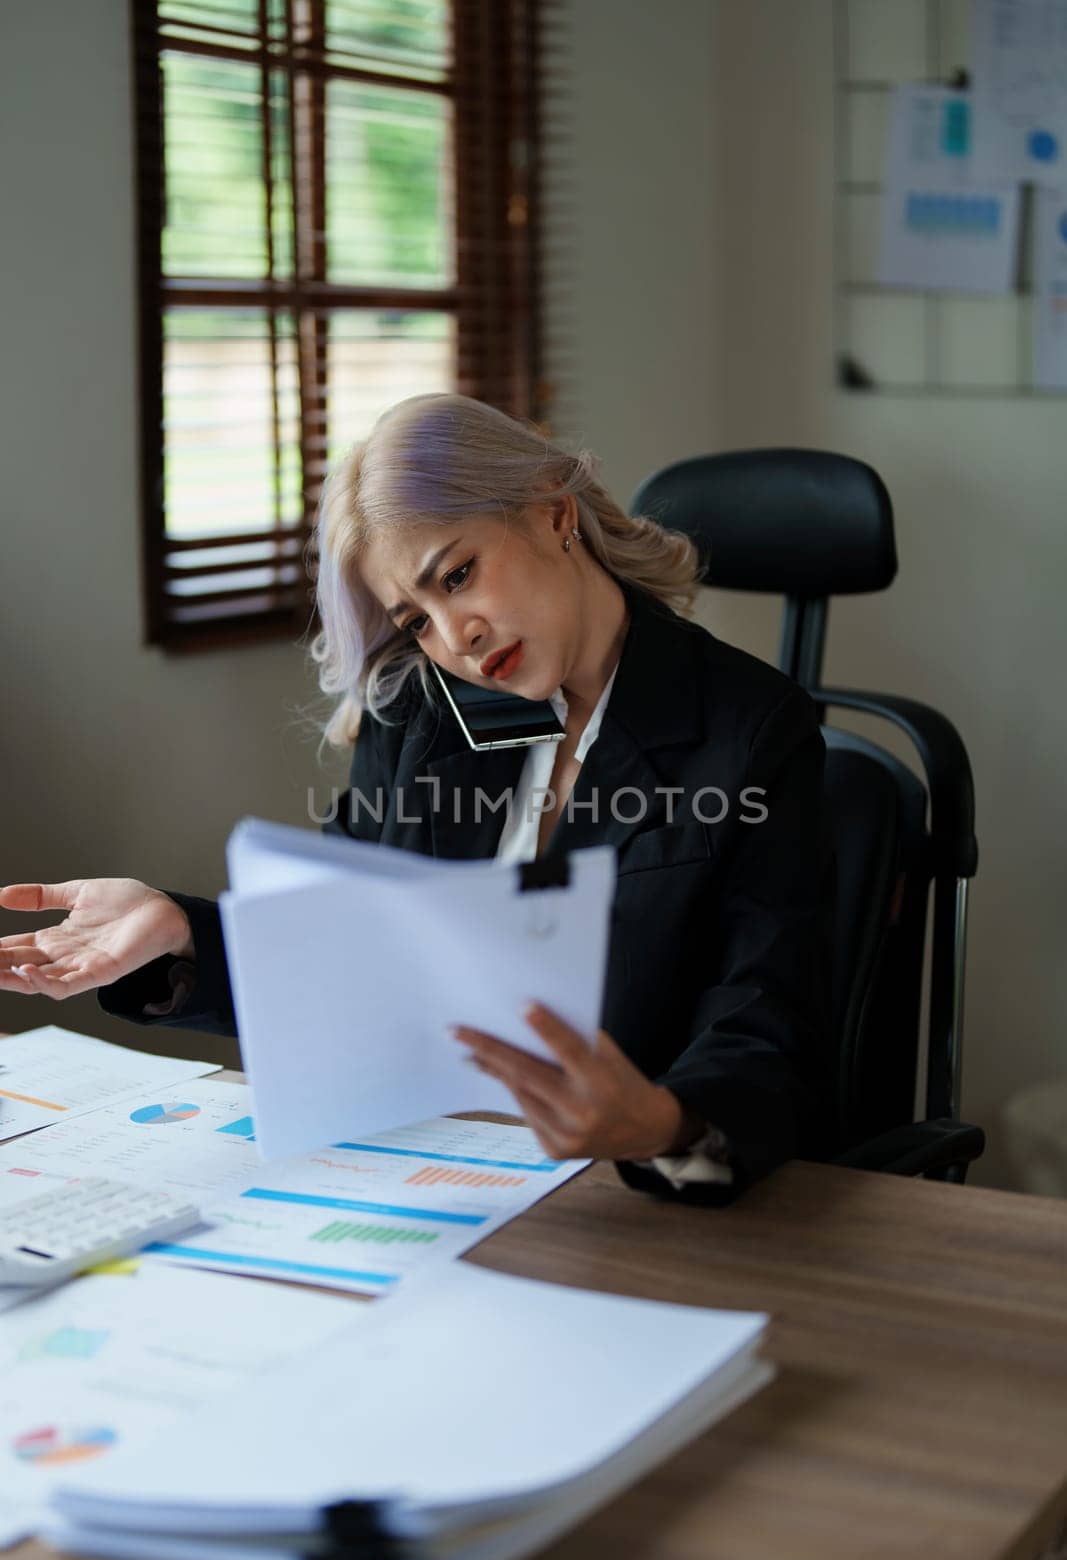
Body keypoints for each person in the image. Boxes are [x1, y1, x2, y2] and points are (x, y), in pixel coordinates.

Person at [0, 394, 832, 1204]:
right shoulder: (421, 711)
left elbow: (762, 1025)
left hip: (629, 1200)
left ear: (551, 511)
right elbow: (354, 961)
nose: (456, 637)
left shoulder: (751, 730)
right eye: (416, 620)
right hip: (440, 1171)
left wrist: (658, 1123)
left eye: (459, 575)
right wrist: (182, 937)